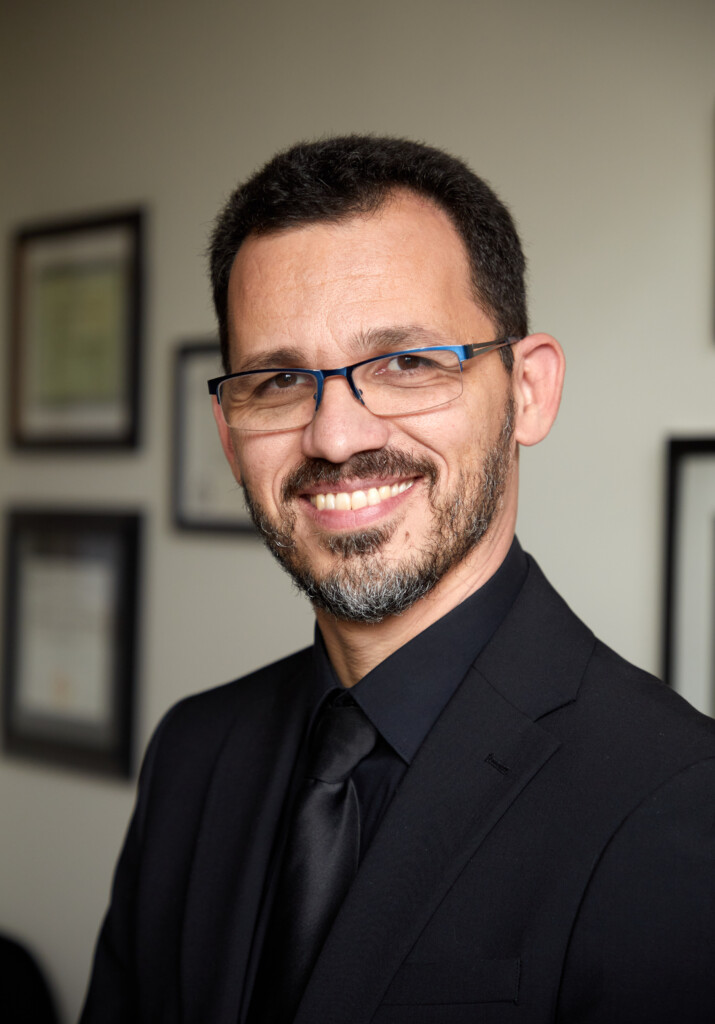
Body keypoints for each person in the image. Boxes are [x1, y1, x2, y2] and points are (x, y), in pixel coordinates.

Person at [80, 136, 715, 1024]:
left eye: (405, 364)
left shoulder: (680, 800)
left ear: (526, 391)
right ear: (229, 435)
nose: (335, 438)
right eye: (277, 380)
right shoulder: (193, 752)